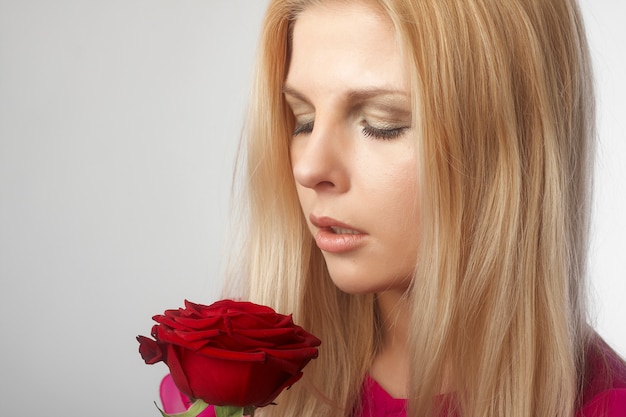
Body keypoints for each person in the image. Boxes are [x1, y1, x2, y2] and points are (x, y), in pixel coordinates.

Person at [164, 0, 626, 416]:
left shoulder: (601, 406)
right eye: (302, 120)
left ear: (507, 150)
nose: (309, 168)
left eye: (381, 125)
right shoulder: (229, 390)